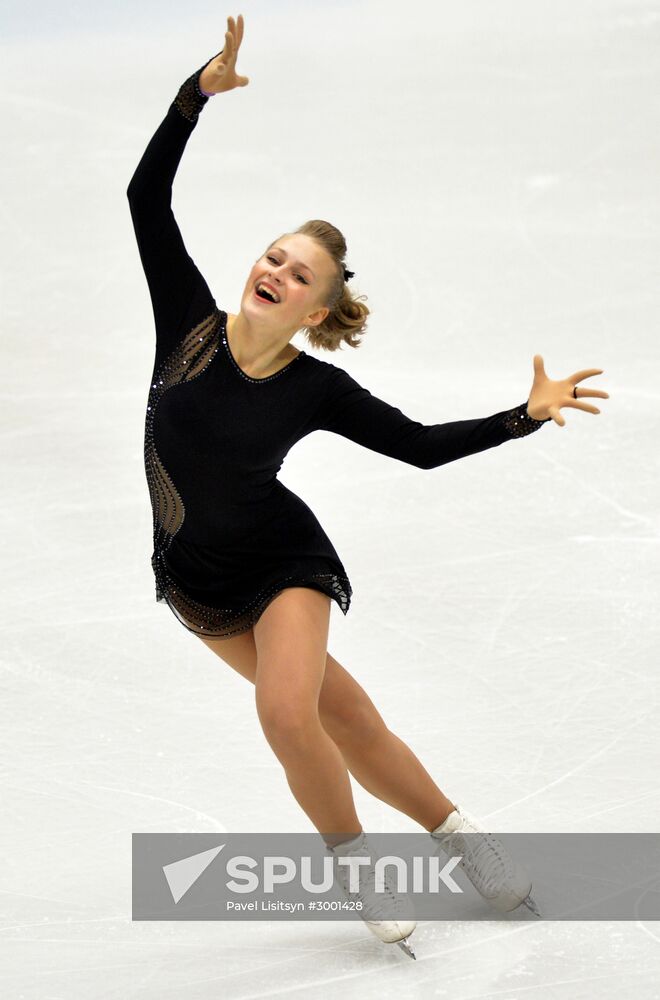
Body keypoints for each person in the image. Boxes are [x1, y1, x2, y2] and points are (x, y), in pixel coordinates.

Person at [126, 14, 609, 959]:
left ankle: (354, 863)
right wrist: (195, 95)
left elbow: (420, 447)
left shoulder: (314, 386)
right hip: (194, 576)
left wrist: (526, 413)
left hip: (281, 563)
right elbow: (146, 195)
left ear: (317, 306)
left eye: (298, 272)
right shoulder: (187, 319)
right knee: (346, 720)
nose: (276, 270)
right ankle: (460, 835)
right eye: (274, 254)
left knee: (285, 709)